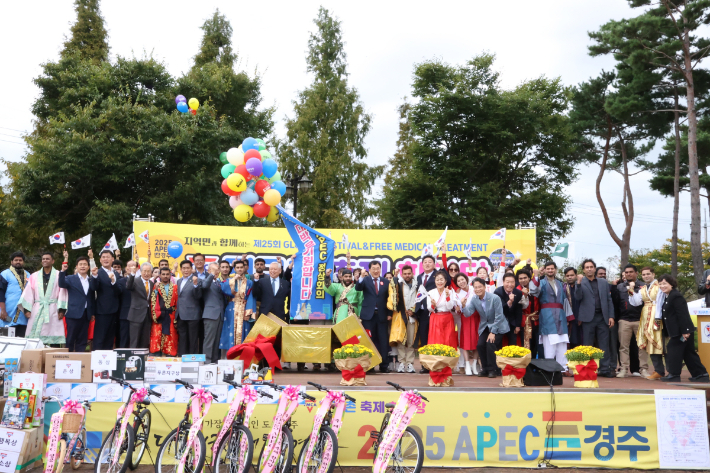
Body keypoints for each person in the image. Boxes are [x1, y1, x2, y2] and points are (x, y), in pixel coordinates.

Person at [657, 274, 709, 382]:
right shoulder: (668, 296)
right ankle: (701, 375)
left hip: (681, 332)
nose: (662, 286)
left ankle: (674, 375)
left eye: (665, 283)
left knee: (672, 350)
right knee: (688, 353)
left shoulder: (676, 296)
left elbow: (683, 314)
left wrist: (685, 331)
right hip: (678, 331)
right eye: (660, 284)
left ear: (671, 284)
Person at [575, 259, 615, 378]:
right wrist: (578, 283)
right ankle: (588, 368)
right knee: (587, 345)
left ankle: (604, 369)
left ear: (595, 268)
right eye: (586, 267)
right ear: (583, 269)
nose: (589, 269)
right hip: (587, 318)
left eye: (591, 267)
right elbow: (578, 297)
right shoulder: (581, 282)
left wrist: (611, 316)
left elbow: (609, 300)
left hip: (602, 317)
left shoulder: (603, 282)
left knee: (604, 345)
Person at [529, 261, 571, 373]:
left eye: (552, 268)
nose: (550, 270)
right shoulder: (541, 282)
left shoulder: (561, 284)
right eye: (548, 269)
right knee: (549, 344)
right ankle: (550, 369)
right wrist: (536, 275)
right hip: (547, 315)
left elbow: (566, 301)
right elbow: (533, 291)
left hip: (561, 316)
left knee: (562, 344)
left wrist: (568, 317)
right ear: (545, 270)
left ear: (556, 270)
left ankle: (563, 369)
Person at [463, 277, 508, 378]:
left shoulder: (494, 298)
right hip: (485, 326)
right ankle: (485, 368)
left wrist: (493, 332)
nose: (478, 289)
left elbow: (499, 316)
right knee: (480, 345)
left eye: (480, 287)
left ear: (485, 287)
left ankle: (493, 369)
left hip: (499, 326)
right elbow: (468, 313)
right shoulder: (474, 299)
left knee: (490, 343)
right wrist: (463, 306)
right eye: (475, 287)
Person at [21, 252, 67, 345]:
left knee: (54, 333)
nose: (45, 260)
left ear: (53, 261)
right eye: (43, 259)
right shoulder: (34, 276)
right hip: (38, 308)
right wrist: (27, 309)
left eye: (47, 259)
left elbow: (63, 291)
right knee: (37, 335)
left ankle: (54, 356)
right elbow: (29, 293)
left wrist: (62, 310)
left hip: (53, 308)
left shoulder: (59, 275)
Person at [629, 267, 667, 379]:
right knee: (649, 343)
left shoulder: (659, 286)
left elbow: (660, 303)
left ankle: (670, 371)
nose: (646, 276)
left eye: (648, 274)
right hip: (646, 316)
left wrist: (658, 319)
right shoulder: (643, 288)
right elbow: (635, 302)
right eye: (644, 274)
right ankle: (658, 370)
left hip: (656, 315)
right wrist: (631, 290)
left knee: (660, 343)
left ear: (653, 274)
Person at [415, 254, 450, 371]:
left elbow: (448, 281)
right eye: (425, 262)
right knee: (424, 338)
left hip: (436, 312)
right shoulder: (419, 277)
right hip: (422, 311)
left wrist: (442, 269)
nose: (427, 264)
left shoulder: (439, 274)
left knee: (436, 337)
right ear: (422, 264)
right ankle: (426, 365)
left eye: (430, 262)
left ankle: (439, 363)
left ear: (434, 264)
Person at [355, 261, 392, 373]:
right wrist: (361, 277)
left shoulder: (386, 282)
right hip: (368, 316)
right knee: (368, 341)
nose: (376, 271)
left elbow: (390, 299)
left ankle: (384, 365)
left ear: (380, 269)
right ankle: (369, 366)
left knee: (383, 341)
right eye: (373, 268)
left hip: (382, 316)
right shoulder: (365, 280)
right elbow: (358, 288)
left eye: (378, 268)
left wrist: (389, 313)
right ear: (369, 270)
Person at [616, 264, 650, 378]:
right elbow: (616, 302)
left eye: (631, 272)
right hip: (624, 320)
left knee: (642, 346)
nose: (628, 274)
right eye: (626, 272)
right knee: (623, 346)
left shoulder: (644, 286)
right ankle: (623, 368)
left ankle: (643, 369)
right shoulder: (620, 287)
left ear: (636, 273)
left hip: (640, 320)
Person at [57, 256, 96, 352]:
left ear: (88, 267)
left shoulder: (91, 280)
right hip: (73, 313)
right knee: (70, 339)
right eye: (80, 264)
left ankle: (80, 359)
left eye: (85, 264)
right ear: (77, 267)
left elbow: (92, 297)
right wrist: (63, 271)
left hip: (86, 314)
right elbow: (61, 284)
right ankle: (68, 359)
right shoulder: (70, 278)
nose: (83, 266)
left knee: (82, 340)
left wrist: (92, 313)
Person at [388, 265, 418, 373]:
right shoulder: (399, 285)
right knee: (400, 340)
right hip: (400, 317)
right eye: (405, 274)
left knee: (411, 341)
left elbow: (420, 299)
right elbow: (392, 294)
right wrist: (395, 276)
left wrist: (413, 310)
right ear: (402, 275)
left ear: (412, 273)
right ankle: (401, 363)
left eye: (409, 273)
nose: (407, 276)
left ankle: (409, 363)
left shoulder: (417, 285)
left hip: (413, 317)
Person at [90, 249, 121, 350]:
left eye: (108, 257)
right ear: (100, 260)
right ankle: (97, 362)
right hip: (102, 311)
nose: (105, 259)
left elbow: (119, 291)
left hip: (115, 310)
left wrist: (113, 282)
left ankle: (108, 361)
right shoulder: (97, 272)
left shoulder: (116, 273)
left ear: (112, 259)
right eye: (103, 257)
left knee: (110, 338)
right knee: (100, 338)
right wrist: (94, 276)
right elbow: (93, 288)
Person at [220, 259, 255, 348]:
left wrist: (248, 313)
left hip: (244, 308)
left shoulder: (249, 282)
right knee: (230, 329)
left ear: (244, 268)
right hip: (232, 308)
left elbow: (251, 297)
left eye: (241, 267)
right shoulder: (229, 280)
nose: (239, 269)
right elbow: (224, 290)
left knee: (244, 330)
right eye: (237, 267)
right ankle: (230, 355)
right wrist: (233, 280)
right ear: (234, 269)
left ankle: (242, 355)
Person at [453, 273, 479, 375]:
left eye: (462, 279)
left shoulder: (474, 289)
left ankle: (475, 364)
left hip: (477, 317)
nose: (461, 282)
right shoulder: (457, 295)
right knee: (465, 341)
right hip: (466, 318)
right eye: (458, 281)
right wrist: (461, 306)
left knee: (477, 341)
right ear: (456, 283)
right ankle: (467, 364)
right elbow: (457, 310)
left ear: (466, 279)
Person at [0, 252, 31, 337]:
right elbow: (1, 292)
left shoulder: (28, 275)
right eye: (16, 260)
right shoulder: (5, 274)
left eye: (20, 260)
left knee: (21, 340)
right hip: (8, 312)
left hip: (23, 314)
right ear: (11, 262)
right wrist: (3, 310)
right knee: (7, 340)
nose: (18, 262)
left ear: (23, 262)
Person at [176, 260, 203, 356]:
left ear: (192, 269)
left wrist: (195, 285)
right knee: (182, 338)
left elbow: (198, 296)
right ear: (181, 269)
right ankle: (182, 357)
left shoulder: (197, 280)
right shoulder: (178, 281)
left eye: (188, 268)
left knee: (193, 339)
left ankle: (193, 359)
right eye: (184, 268)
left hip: (193, 314)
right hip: (180, 314)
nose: (186, 270)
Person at [125, 262, 155, 349]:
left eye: (148, 271)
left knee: (145, 341)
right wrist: (132, 274)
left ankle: (143, 359)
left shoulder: (152, 283)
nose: (146, 273)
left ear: (151, 272)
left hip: (147, 316)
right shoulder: (135, 281)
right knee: (135, 341)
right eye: (144, 271)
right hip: (136, 315)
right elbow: (129, 286)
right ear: (141, 271)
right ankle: (132, 360)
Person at [150, 267, 178, 356]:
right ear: (159, 275)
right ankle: (156, 352)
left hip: (171, 315)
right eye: (163, 274)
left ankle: (170, 353)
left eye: (167, 274)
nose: (165, 276)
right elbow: (152, 301)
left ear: (170, 275)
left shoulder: (175, 287)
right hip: (159, 314)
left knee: (171, 335)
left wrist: (176, 318)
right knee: (156, 334)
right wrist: (155, 291)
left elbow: (178, 302)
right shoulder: (156, 286)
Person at [426, 271, 458, 348]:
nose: (439, 282)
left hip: (447, 317)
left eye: (441, 279)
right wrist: (433, 305)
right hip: (435, 318)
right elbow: (429, 308)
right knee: (436, 339)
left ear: (445, 281)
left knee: (448, 339)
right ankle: (436, 358)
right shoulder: (431, 292)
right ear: (435, 281)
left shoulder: (450, 291)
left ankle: (448, 359)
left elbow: (450, 307)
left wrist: (447, 296)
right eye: (437, 280)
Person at [201, 263, 225, 363]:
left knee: (216, 340)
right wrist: (211, 274)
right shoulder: (205, 280)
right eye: (214, 270)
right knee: (209, 340)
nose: (216, 271)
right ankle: (207, 361)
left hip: (220, 314)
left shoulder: (219, 282)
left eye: (217, 269)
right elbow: (204, 286)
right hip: (210, 315)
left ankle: (214, 361)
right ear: (209, 271)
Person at [494, 274, 524, 347]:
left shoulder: (518, 293)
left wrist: (517, 326)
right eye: (507, 282)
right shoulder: (497, 292)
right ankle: (498, 358)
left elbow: (518, 310)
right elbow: (500, 309)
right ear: (503, 282)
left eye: (512, 282)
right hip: (500, 321)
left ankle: (511, 358)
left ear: (515, 282)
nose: (509, 284)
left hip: (512, 321)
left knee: (513, 342)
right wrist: (510, 302)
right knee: (498, 342)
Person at [517, 268, 541, 358]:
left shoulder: (535, 288)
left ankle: (535, 367)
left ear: (529, 278)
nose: (523, 280)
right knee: (526, 344)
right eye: (520, 278)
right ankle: (527, 368)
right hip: (524, 322)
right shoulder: (517, 290)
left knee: (536, 345)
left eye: (525, 278)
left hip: (536, 320)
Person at [116, 260, 136, 348]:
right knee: (124, 337)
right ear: (126, 268)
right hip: (125, 314)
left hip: (138, 314)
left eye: (133, 266)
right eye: (129, 266)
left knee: (135, 338)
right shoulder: (120, 281)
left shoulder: (141, 281)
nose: (131, 268)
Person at [563, 267, 583, 348]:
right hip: (567, 318)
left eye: (572, 275)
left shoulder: (581, 286)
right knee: (569, 341)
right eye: (567, 276)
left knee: (580, 341)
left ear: (576, 275)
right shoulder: (562, 287)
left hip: (580, 317)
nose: (570, 277)